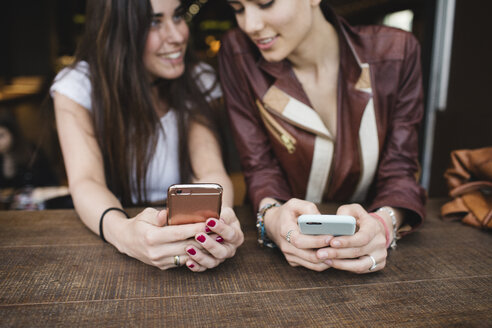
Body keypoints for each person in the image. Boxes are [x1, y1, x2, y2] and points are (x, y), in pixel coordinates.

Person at [218, 0, 426, 273]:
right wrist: (273, 219)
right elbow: (259, 167)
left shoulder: (396, 53)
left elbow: (400, 169)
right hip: (284, 269)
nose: (250, 25)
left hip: (370, 259)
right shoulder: (238, 53)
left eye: (265, 3)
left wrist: (383, 225)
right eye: (238, 9)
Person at [50, 0, 243, 272]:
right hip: (108, 248)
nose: (177, 36)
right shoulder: (79, 86)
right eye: (154, 22)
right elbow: (86, 181)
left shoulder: (197, 79)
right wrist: (124, 234)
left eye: (177, 16)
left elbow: (211, 170)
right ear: (117, 31)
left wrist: (218, 220)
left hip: (185, 233)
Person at [0, 110, 58, 189]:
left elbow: (50, 181)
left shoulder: (31, 151)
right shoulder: (2, 158)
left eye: (1, 136)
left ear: (12, 133)